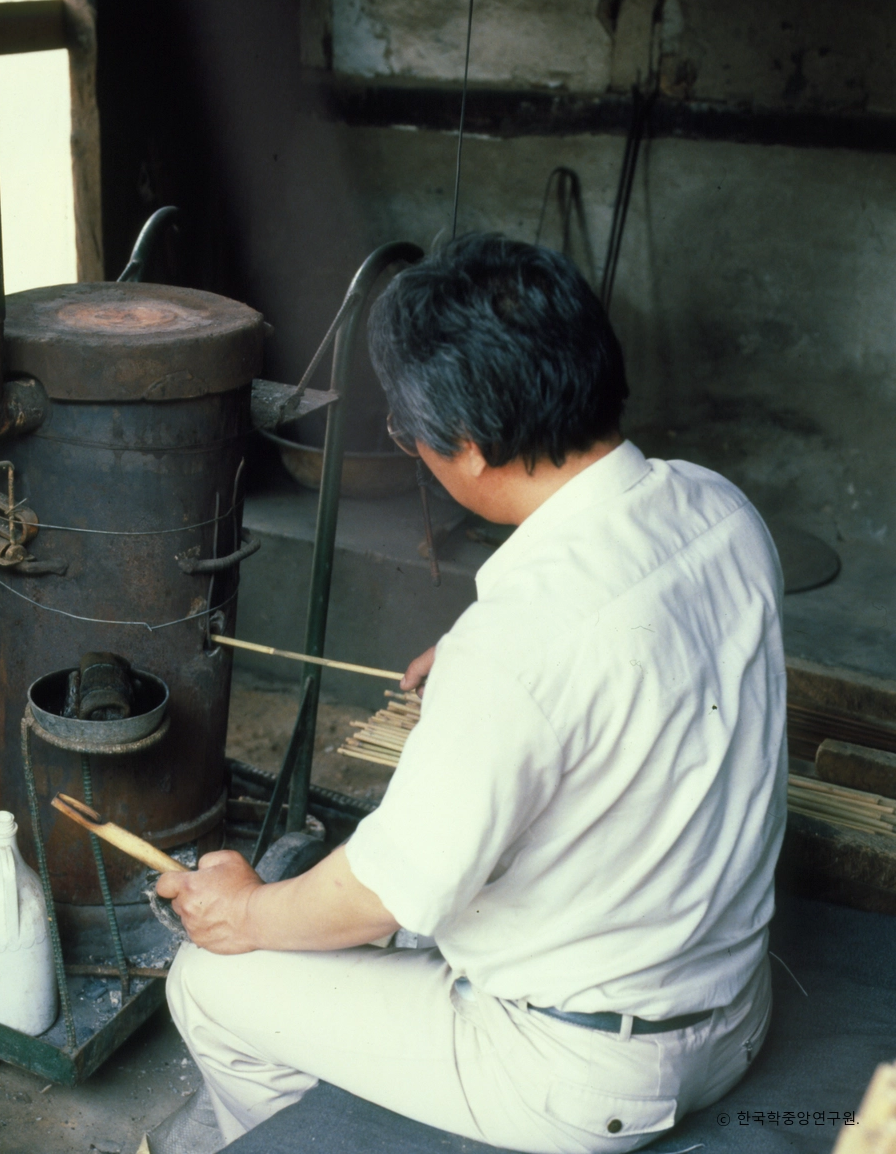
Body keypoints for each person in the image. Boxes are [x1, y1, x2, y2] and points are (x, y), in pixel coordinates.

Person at [146, 233, 787, 1154]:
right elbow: (621, 633)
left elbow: (384, 894)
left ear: (472, 450)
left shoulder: (519, 645)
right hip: (732, 1011)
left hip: (580, 1077)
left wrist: (243, 913)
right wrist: (475, 655)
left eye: (412, 438)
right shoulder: (716, 506)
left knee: (211, 984)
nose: (414, 453)